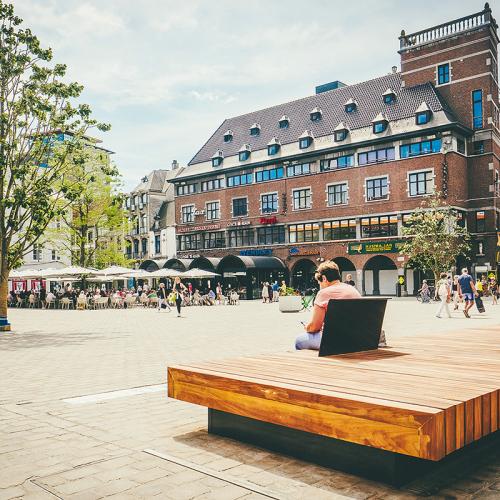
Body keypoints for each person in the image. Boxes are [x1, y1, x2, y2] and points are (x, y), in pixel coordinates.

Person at [295, 261, 361, 350]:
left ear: (324, 278)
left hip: (332, 341)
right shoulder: (353, 290)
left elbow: (315, 327)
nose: (320, 285)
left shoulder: (323, 293)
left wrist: (307, 327)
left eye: (320, 282)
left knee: (299, 340)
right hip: (356, 339)